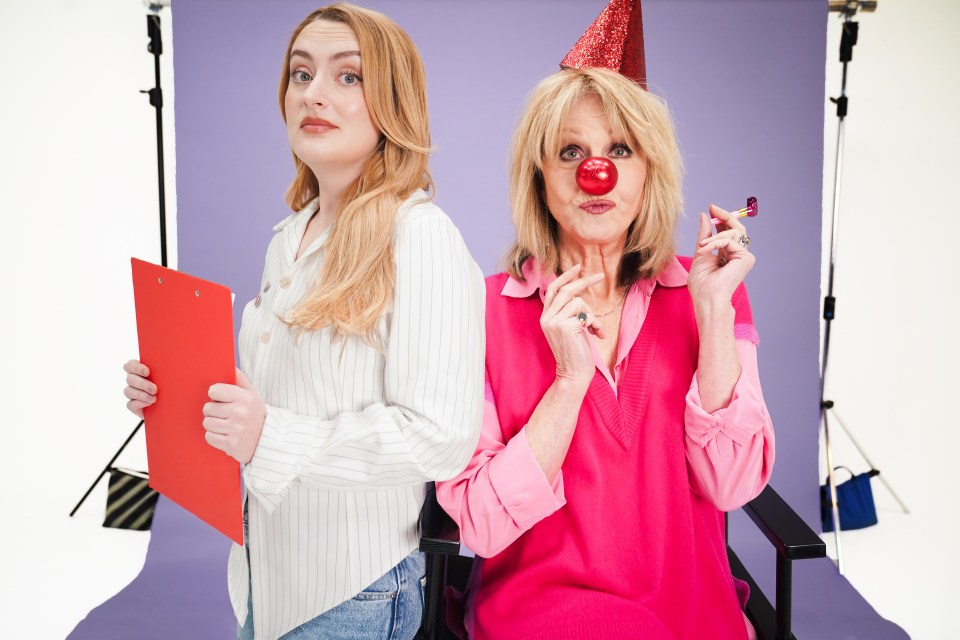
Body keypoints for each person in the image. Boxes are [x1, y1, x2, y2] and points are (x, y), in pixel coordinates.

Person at [123, 4, 485, 639]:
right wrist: (180, 392)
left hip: (353, 589)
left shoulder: (419, 235)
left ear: (392, 103)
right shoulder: (290, 237)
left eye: (348, 77)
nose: (313, 94)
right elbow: (277, 403)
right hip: (270, 574)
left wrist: (269, 436)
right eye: (300, 73)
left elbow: (440, 436)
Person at [435, 66, 774, 640]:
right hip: (543, 613)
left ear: (649, 173)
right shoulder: (481, 309)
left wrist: (712, 311)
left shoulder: (712, 290)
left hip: (690, 611)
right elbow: (482, 525)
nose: (598, 173)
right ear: (539, 177)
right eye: (571, 152)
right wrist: (569, 381)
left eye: (620, 149)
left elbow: (731, 484)